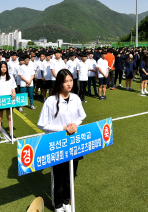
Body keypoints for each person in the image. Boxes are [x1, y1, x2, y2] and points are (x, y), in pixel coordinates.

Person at [37, 69, 87, 212]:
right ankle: (58, 205)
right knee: (58, 177)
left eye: (71, 80)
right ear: (59, 83)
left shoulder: (76, 98)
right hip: (57, 144)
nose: (69, 84)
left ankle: (66, 201)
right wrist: (63, 128)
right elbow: (42, 124)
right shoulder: (50, 101)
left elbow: (81, 116)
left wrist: (75, 124)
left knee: (70, 175)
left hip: (74, 142)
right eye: (65, 81)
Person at [0, 61, 16, 144]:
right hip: (0, 101)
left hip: (9, 100)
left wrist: (14, 93)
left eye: (5, 66)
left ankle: (12, 134)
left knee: (9, 117)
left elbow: (13, 88)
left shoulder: (10, 77)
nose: (4, 68)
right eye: (2, 67)